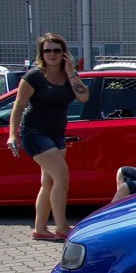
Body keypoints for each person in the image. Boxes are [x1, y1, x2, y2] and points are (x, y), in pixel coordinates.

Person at [7, 33, 90, 241]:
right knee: (62, 177)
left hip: (57, 133)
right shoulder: (34, 77)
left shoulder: (69, 75)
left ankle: (40, 229)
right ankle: (62, 227)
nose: (52, 54)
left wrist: (70, 72)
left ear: (64, 53)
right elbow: (18, 107)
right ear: (41, 54)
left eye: (56, 50)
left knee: (49, 182)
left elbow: (83, 97)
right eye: (47, 50)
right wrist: (12, 135)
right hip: (34, 132)